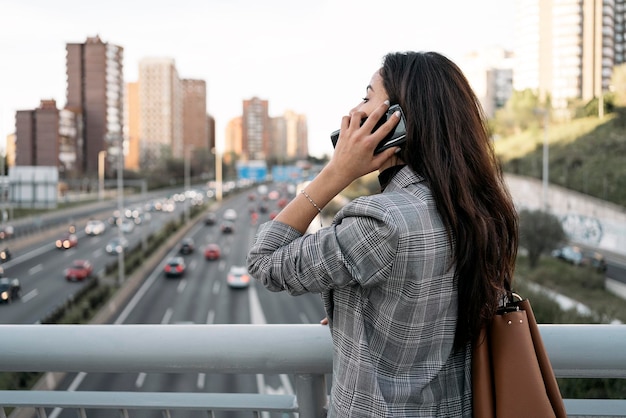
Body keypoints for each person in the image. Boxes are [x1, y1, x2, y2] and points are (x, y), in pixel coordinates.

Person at [247, 51, 518, 417]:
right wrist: (354, 314)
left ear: (396, 121)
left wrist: (336, 173)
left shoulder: (382, 221)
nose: (353, 112)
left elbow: (265, 260)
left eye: (366, 96)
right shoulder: (478, 208)